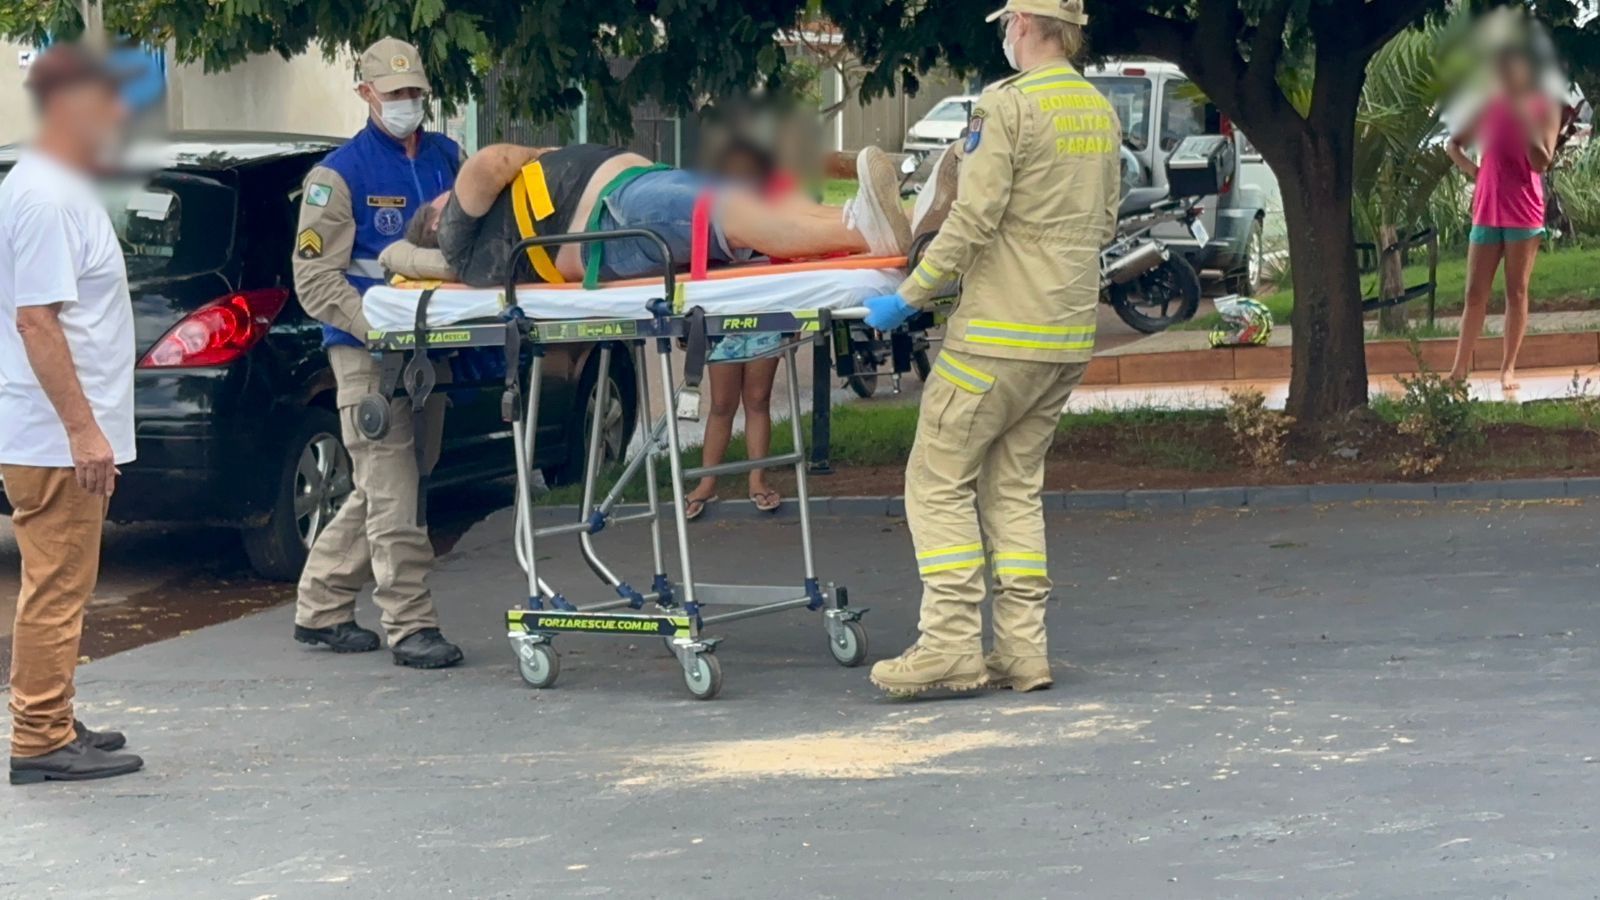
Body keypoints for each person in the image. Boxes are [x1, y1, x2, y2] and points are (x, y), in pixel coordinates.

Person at [860, 0, 1120, 697]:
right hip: (1064, 336)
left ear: (1027, 25)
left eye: (1008, 24)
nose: (1006, 35)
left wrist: (909, 298)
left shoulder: (1005, 106)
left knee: (936, 480)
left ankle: (948, 645)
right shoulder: (1099, 109)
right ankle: (1023, 651)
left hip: (998, 335)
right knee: (1014, 487)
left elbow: (973, 218)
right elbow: (1105, 217)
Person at [290, 37, 466, 668]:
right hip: (368, 353)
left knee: (393, 480)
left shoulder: (450, 157)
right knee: (393, 490)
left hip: (432, 349)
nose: (407, 103)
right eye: (394, 94)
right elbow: (314, 280)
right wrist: (376, 328)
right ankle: (410, 624)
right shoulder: (337, 176)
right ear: (365, 94)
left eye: (414, 91)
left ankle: (321, 606)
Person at [2, 43, 144, 784]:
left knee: (61, 583)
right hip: (53, 437)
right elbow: (37, 322)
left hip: (58, 432)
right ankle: (38, 736)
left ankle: (51, 712)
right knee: (56, 587)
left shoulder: (56, 187)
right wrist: (84, 430)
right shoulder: (48, 196)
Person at [397, 142, 909, 288]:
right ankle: (865, 233)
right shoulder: (457, 239)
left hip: (619, 200)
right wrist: (546, 150)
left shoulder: (478, 246)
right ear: (437, 222)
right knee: (726, 212)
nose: (450, 196)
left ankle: (875, 220)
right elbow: (491, 162)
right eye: (443, 203)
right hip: (607, 215)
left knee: (746, 203)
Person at [1446, 46, 1561, 392]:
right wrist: (1473, 171)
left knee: (1516, 290)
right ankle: (1458, 371)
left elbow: (1541, 162)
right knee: (1474, 293)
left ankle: (1507, 369)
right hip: (1487, 207)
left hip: (1523, 211)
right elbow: (1453, 145)